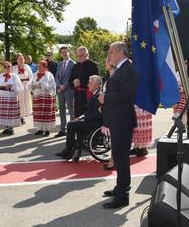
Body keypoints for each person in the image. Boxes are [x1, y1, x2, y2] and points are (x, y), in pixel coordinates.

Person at [98, 41, 137, 209]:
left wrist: (106, 98)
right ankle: (119, 188)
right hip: (117, 120)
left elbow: (127, 94)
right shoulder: (120, 69)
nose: (109, 56)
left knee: (121, 159)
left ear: (120, 52)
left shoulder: (128, 69)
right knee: (119, 157)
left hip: (122, 121)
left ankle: (123, 196)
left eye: (111, 52)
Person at [55, 75, 103, 162]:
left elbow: (96, 114)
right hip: (91, 121)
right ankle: (74, 151)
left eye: (90, 83)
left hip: (94, 123)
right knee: (74, 123)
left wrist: (83, 119)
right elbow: (90, 112)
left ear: (96, 85)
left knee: (71, 125)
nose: (88, 85)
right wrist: (81, 117)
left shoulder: (99, 96)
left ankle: (68, 151)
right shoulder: (95, 94)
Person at [0, 61, 23, 134]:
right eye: (5, 67)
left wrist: (12, 87)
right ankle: (7, 127)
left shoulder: (14, 76)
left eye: (9, 66)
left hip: (11, 96)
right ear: (3, 68)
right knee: (4, 112)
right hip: (3, 96)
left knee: (10, 112)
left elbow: (20, 87)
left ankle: (11, 127)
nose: (7, 68)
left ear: (11, 68)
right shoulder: (1, 76)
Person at [28, 60, 56, 136]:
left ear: (44, 66)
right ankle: (40, 129)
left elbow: (52, 85)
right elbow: (29, 84)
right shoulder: (35, 74)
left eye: (40, 66)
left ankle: (47, 129)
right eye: (38, 66)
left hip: (46, 96)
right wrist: (32, 86)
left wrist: (42, 85)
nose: (39, 67)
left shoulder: (49, 74)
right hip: (37, 96)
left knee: (46, 112)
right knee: (38, 112)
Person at [69, 46, 99, 118]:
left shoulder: (93, 65)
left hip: (88, 96)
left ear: (86, 54)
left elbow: (96, 81)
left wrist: (81, 83)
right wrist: (73, 83)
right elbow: (69, 80)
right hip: (77, 96)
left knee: (88, 116)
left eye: (81, 55)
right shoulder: (75, 66)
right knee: (78, 117)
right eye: (77, 56)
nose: (79, 58)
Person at [54, 46, 75, 137]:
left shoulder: (73, 64)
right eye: (62, 52)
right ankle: (63, 129)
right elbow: (57, 76)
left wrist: (64, 86)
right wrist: (59, 86)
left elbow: (71, 77)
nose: (64, 53)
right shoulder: (59, 64)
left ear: (69, 52)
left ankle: (73, 130)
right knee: (61, 110)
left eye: (66, 52)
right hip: (60, 90)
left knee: (71, 110)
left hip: (69, 90)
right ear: (60, 54)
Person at [13, 54, 33, 124]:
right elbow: (12, 77)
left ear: (24, 60)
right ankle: (19, 116)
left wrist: (30, 86)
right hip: (18, 86)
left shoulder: (27, 67)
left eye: (22, 59)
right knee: (19, 101)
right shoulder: (14, 68)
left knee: (25, 101)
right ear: (17, 60)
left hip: (25, 86)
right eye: (19, 59)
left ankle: (23, 116)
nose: (21, 60)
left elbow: (31, 77)